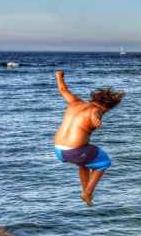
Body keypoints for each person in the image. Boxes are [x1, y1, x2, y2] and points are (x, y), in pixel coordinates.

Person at [53, 70, 124, 206]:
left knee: (85, 163)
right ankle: (87, 193)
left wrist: (59, 76)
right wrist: (96, 119)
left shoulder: (75, 102)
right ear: (107, 107)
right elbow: (95, 113)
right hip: (74, 151)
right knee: (104, 162)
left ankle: (86, 191)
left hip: (59, 150)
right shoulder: (97, 110)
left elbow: (63, 90)